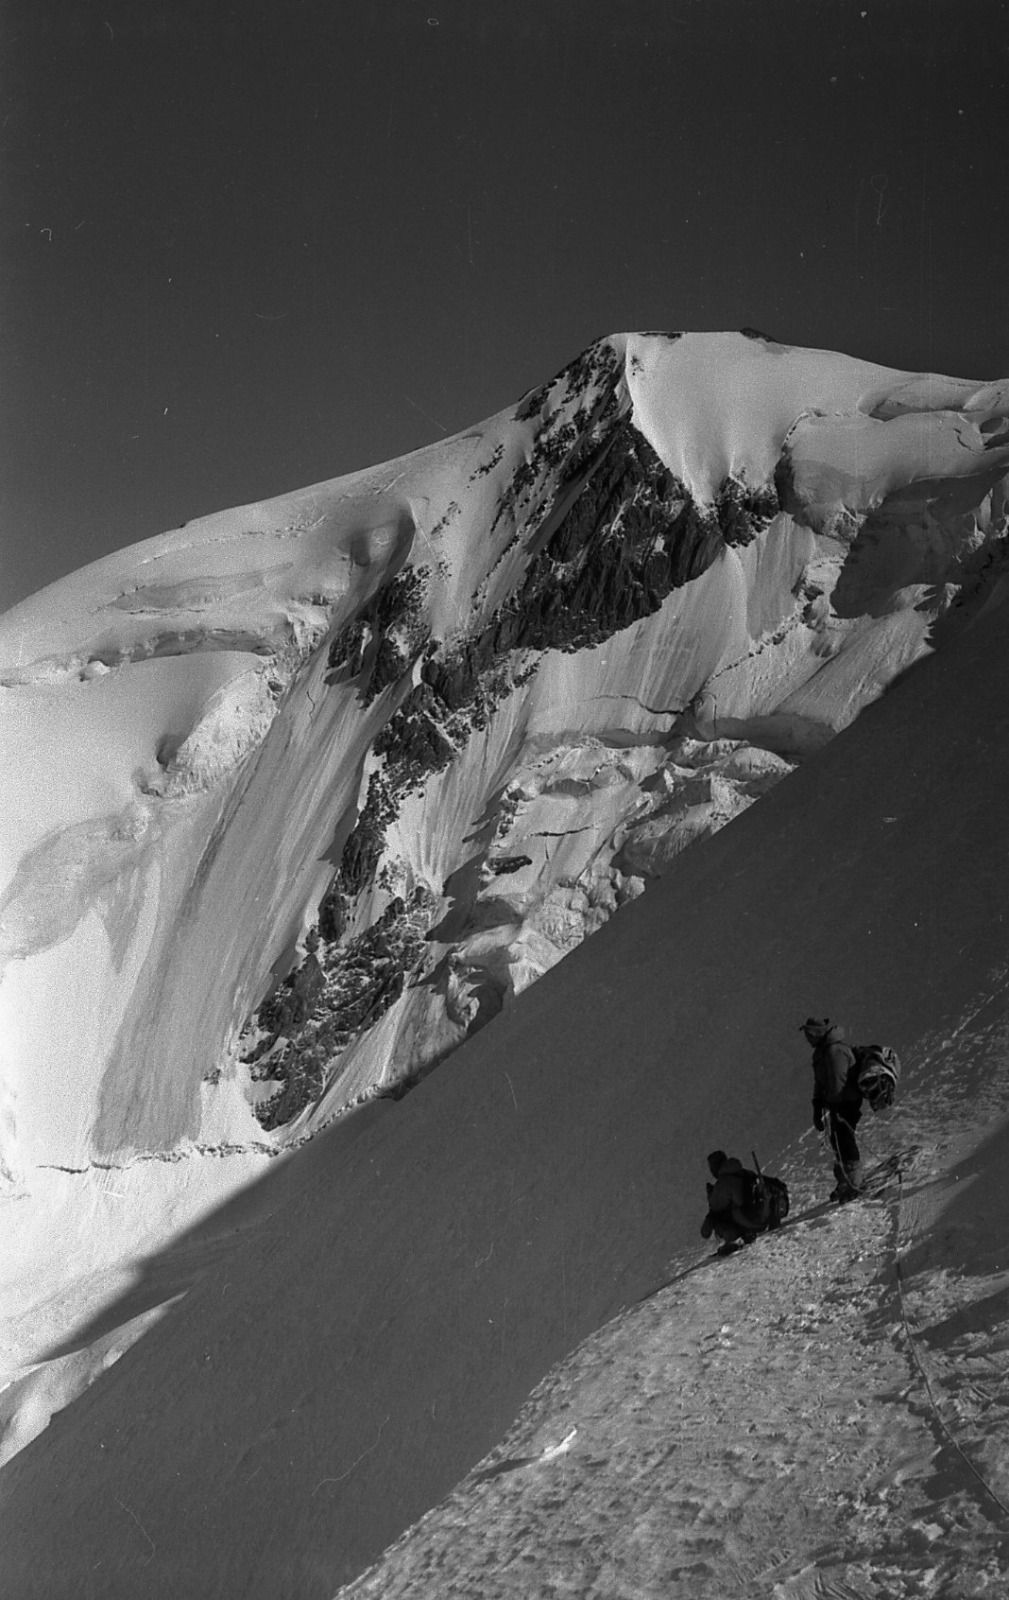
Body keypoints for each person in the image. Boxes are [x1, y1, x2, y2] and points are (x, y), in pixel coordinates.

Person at [800, 1016, 863, 1201]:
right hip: (836, 1103)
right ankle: (845, 1180)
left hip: (847, 1101)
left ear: (817, 1033)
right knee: (837, 1139)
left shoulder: (835, 1051)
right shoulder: (821, 1053)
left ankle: (854, 1181)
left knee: (844, 1138)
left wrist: (832, 1103)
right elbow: (820, 1082)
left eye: (809, 1035)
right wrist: (817, 1104)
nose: (807, 1039)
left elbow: (838, 1080)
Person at [700, 1150, 770, 1255]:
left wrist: (711, 1195)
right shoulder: (745, 1173)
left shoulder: (724, 1182)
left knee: (719, 1217)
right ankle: (746, 1233)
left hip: (750, 1221)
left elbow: (715, 1209)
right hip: (763, 1216)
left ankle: (732, 1239)